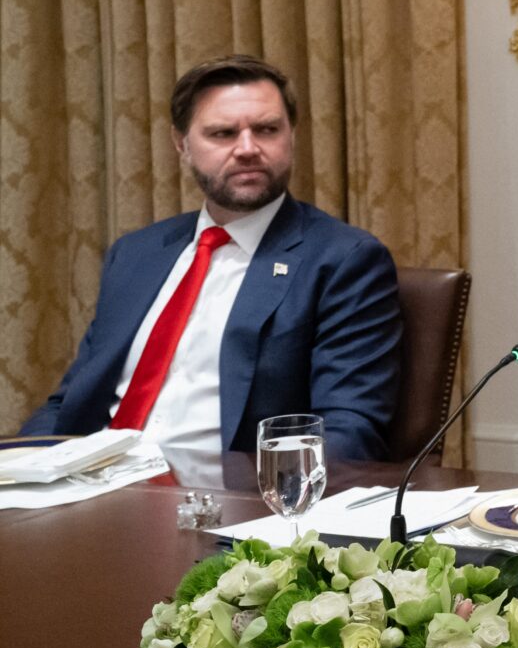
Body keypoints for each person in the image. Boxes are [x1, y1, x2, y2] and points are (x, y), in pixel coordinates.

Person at [22, 55, 403, 475]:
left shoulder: (342, 259)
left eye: (267, 130)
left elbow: (350, 430)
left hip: (220, 498)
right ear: (181, 144)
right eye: (223, 133)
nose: (248, 149)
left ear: (292, 136)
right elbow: (71, 402)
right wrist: (20, 472)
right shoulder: (136, 254)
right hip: (92, 487)